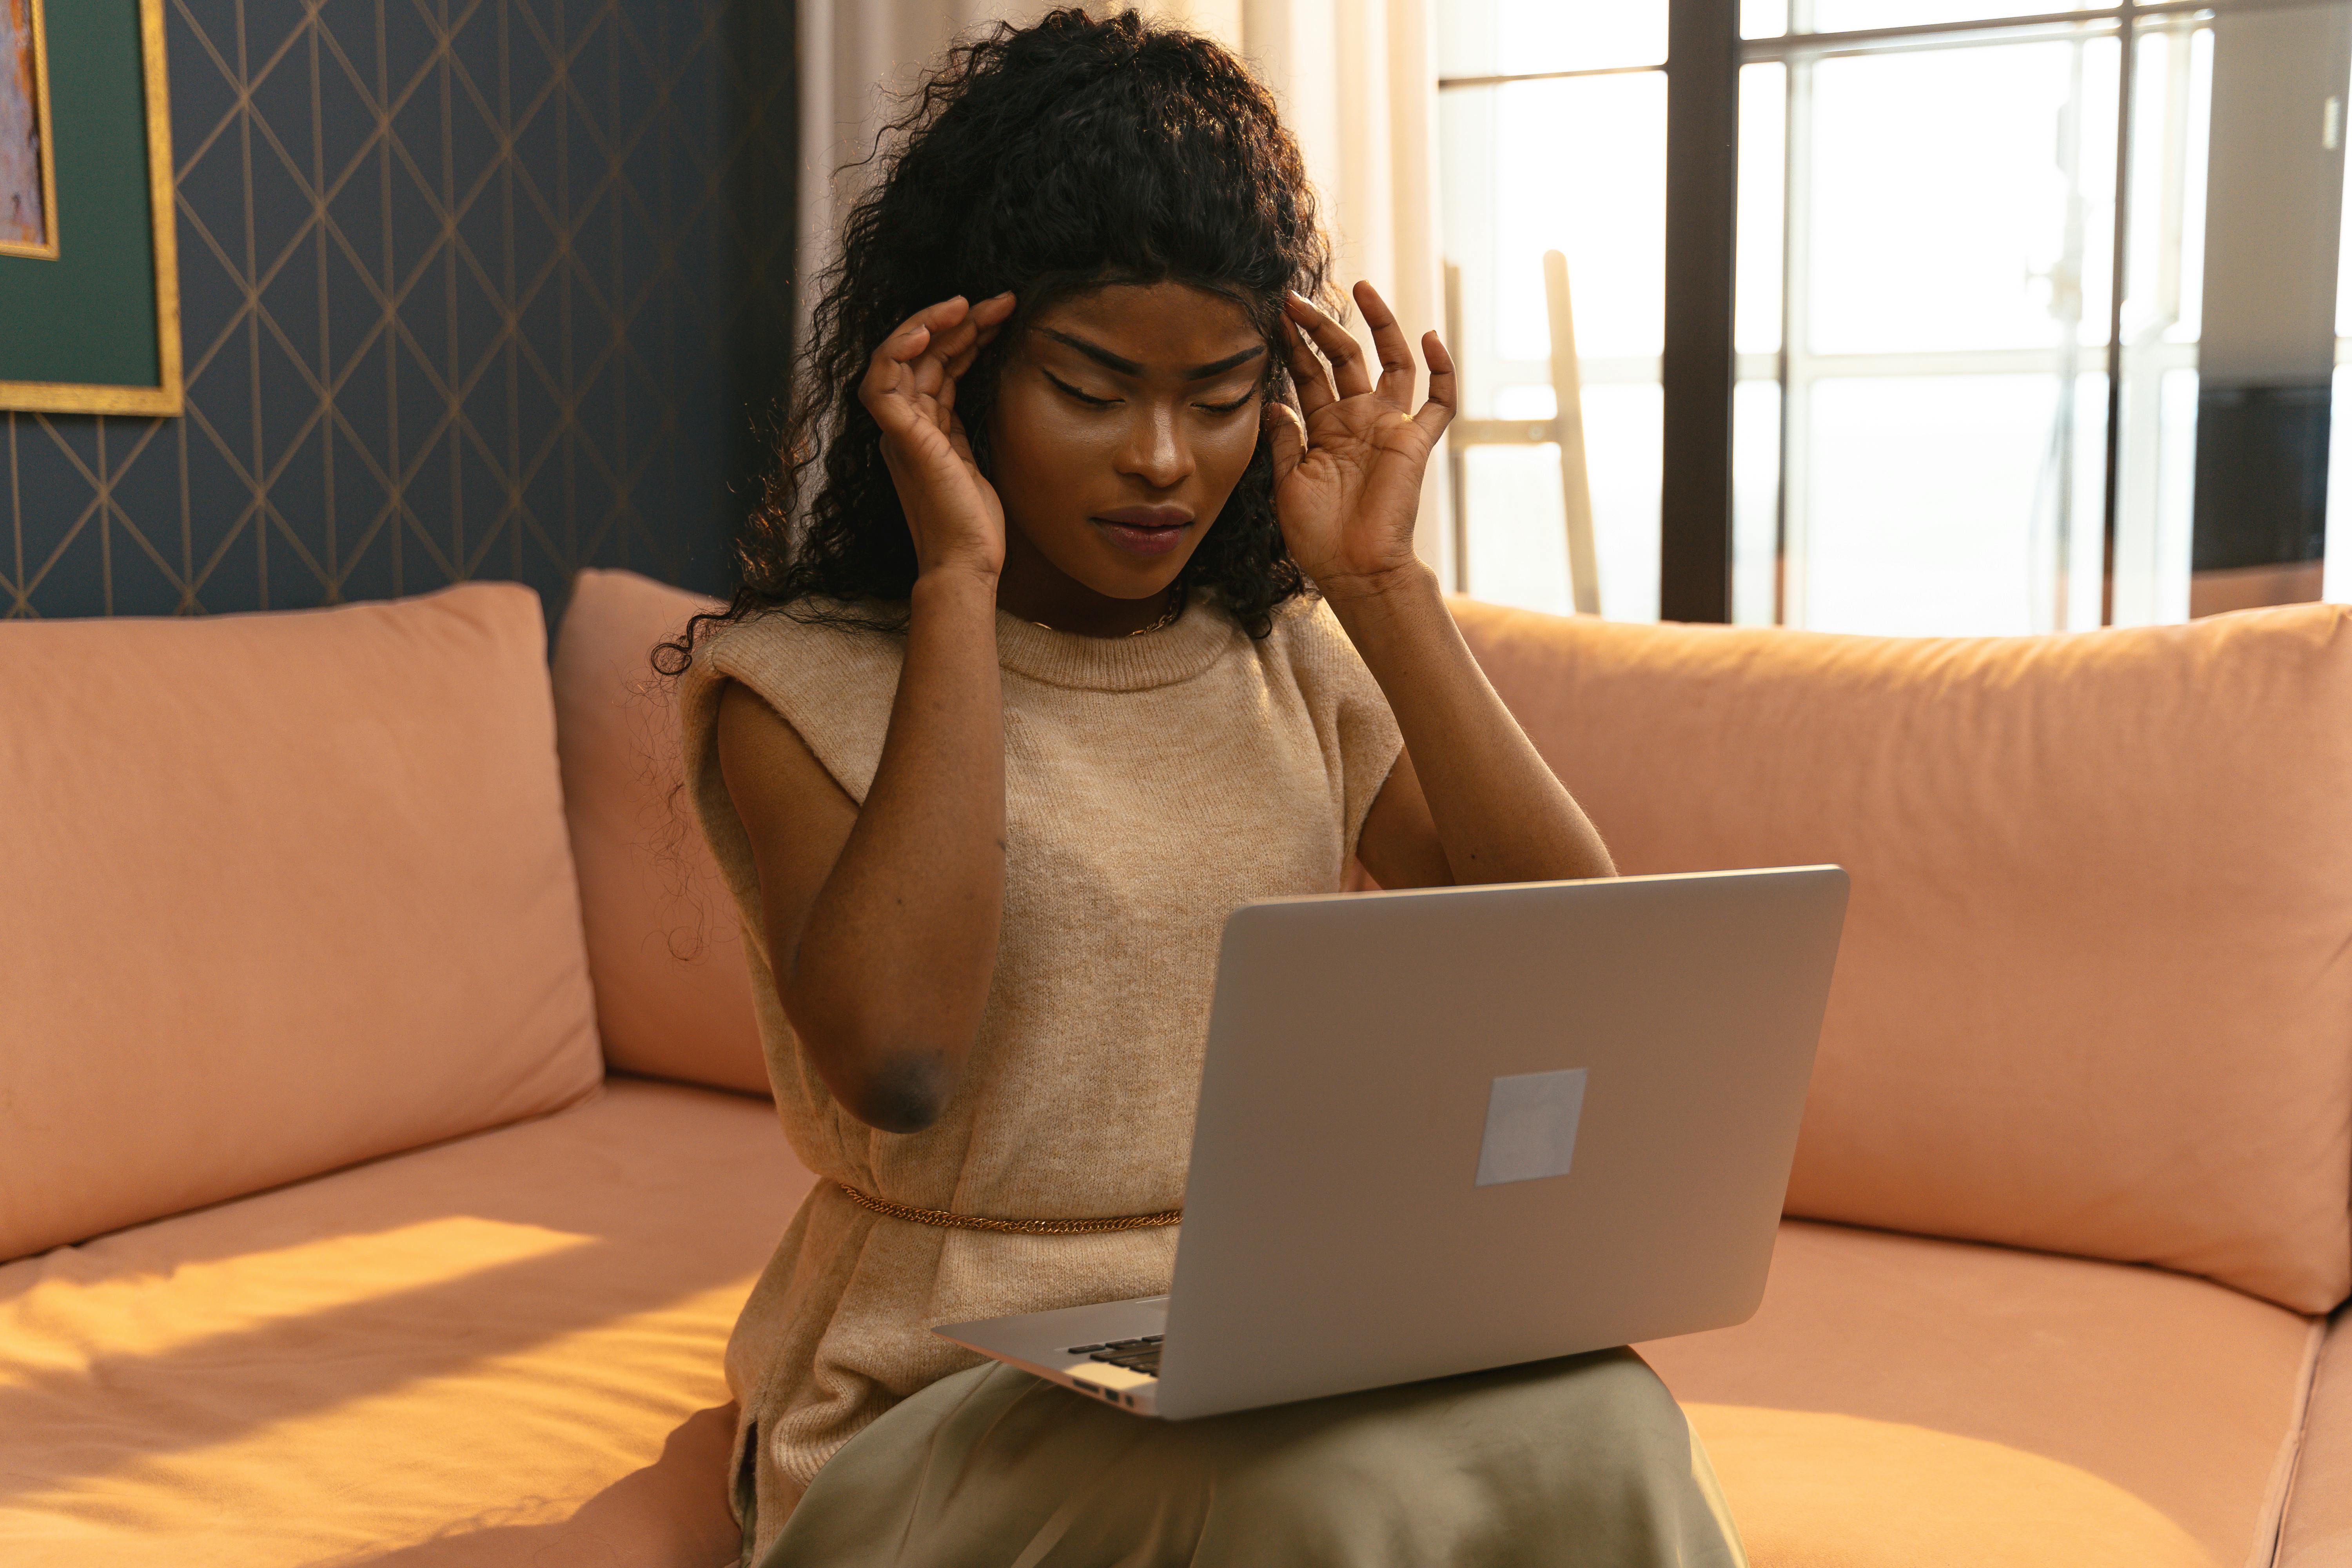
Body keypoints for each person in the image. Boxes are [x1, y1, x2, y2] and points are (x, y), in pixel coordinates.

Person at [666, 10, 1746, 1564]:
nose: (1165, 458)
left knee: (1609, 1418)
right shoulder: (798, 682)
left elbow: (1582, 964)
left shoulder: (1289, 661)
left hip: (1261, 1344)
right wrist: (957, 582)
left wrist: (1382, 587)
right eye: (1095, 390)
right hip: (939, 1388)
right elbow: (897, 1061)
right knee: (1312, 1501)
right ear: (963, 375)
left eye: (1221, 393)